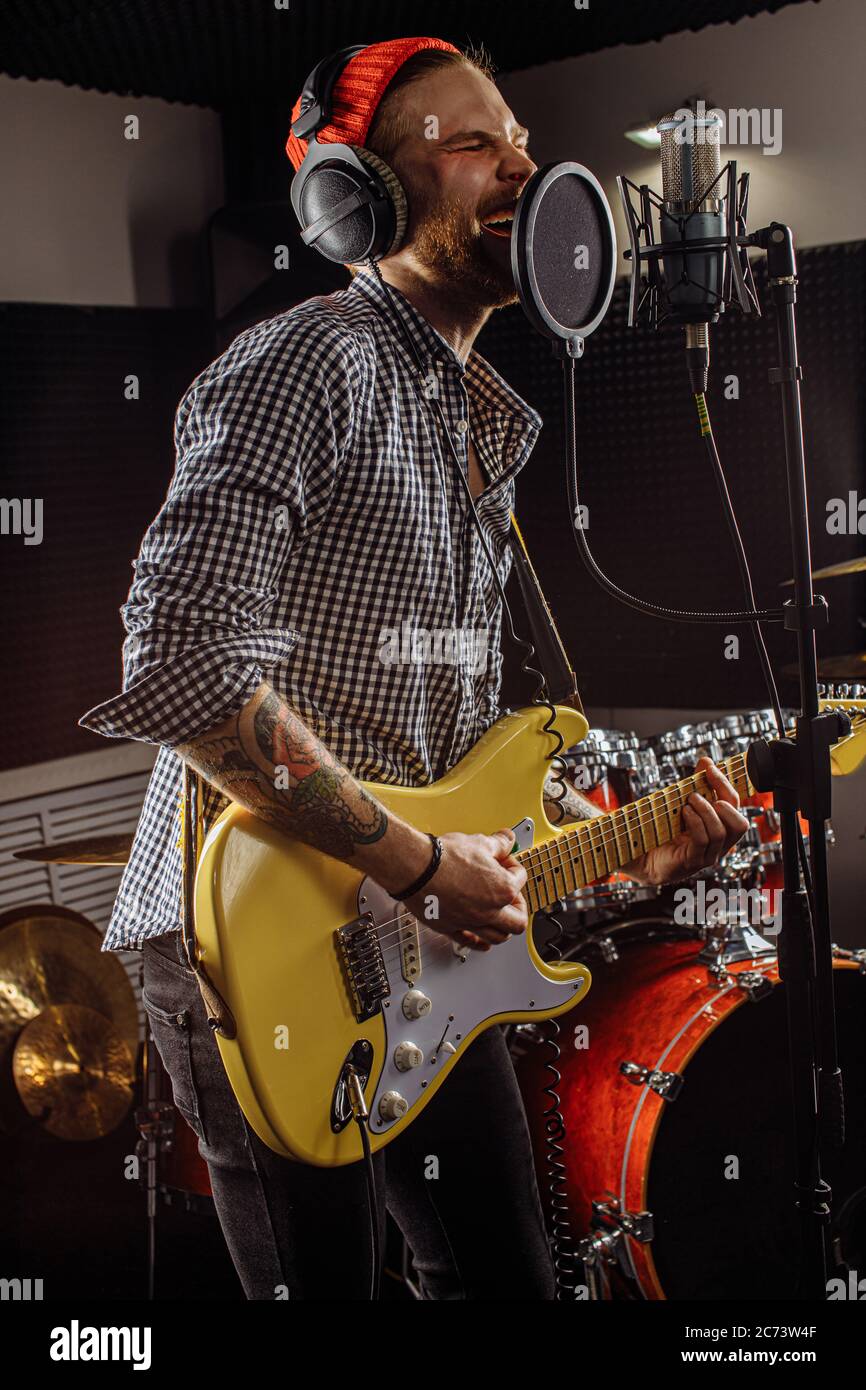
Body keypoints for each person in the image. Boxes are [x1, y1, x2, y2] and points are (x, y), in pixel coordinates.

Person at [81, 36, 749, 1300]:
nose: (523, 167)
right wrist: (417, 864)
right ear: (363, 203)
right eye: (471, 143)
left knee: (509, 1280)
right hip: (249, 942)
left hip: (414, 938)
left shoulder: (477, 416)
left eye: (521, 142)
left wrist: (616, 862)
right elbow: (179, 657)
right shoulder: (302, 364)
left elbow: (463, 790)